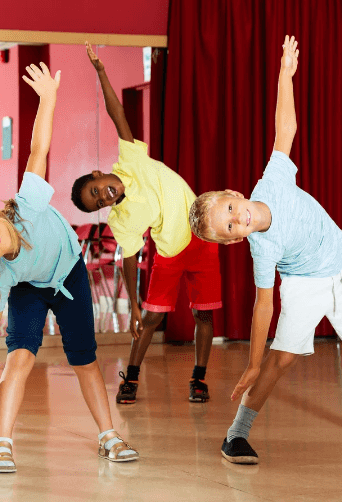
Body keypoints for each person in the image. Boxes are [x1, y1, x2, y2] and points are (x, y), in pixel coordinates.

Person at [188, 36, 342, 463]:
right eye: (227, 228)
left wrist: (285, 73)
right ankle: (236, 434)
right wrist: (254, 363)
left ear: (235, 193)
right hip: (304, 284)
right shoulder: (262, 247)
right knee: (281, 361)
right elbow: (263, 307)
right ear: (234, 240)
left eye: (229, 209)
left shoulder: (271, 182)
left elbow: (286, 129)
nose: (234, 218)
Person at [0, 63, 138, 472]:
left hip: (68, 274)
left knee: (84, 358)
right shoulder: (1, 274)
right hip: (30, 288)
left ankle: (108, 435)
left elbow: (38, 151)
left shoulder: (26, 204)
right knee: (20, 357)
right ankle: (1, 442)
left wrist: (48, 98)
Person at [69, 43, 222, 404]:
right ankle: (132, 376)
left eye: (97, 189)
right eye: (98, 202)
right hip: (169, 253)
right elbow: (128, 260)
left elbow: (116, 112)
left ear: (98, 173)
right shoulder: (121, 219)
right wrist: (135, 307)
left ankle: (199, 378)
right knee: (151, 321)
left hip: (201, 240)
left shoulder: (131, 158)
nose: (104, 196)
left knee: (204, 315)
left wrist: (101, 72)